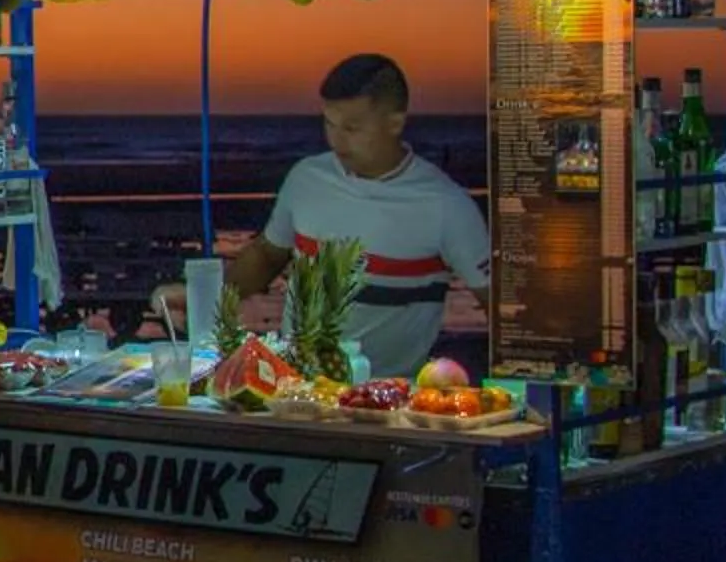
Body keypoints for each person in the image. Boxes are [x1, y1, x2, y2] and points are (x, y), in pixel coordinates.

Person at [168, 54, 490, 380]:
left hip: (387, 396)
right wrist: (208, 300)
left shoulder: (447, 206)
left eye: (352, 128)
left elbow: (500, 308)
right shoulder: (307, 179)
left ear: (395, 122)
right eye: (329, 124)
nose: (337, 140)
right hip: (293, 388)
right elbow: (267, 256)